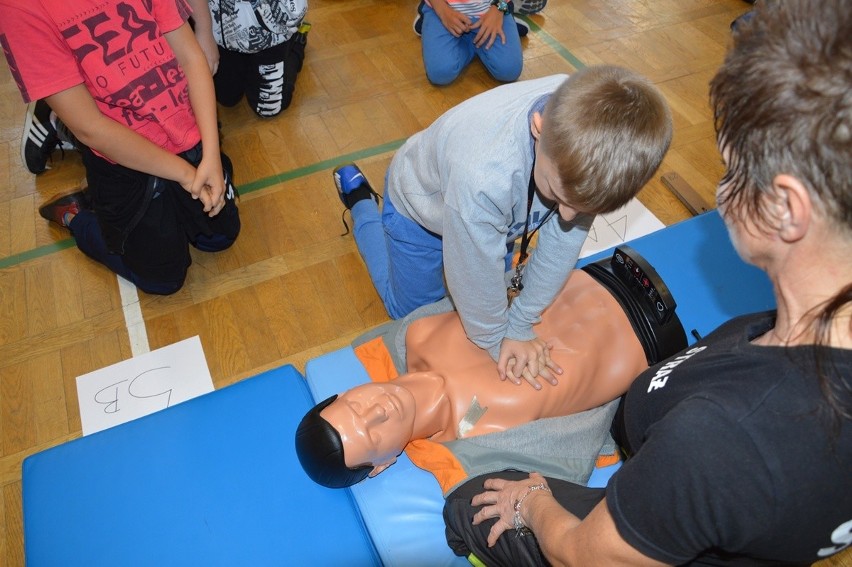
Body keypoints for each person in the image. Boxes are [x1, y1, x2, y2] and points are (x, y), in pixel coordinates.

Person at [442, 1, 852, 565]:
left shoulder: (722, 436)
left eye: (731, 170)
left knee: (470, 505)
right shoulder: (790, 354)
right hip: (675, 461)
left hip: (640, 516)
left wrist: (533, 502)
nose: (721, 189)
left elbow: (584, 556)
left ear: (787, 208)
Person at [333, 66, 672, 388]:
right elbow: (472, 278)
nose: (568, 217)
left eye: (584, 208)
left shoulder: (582, 136)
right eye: (558, 196)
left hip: (492, 216)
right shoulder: (483, 177)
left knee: (486, 286)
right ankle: (363, 203)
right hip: (419, 211)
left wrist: (522, 321)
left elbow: (559, 245)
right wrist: (497, 338)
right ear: (538, 129)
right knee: (410, 314)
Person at [295, 257, 688, 489]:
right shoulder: (476, 437)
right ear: (381, 465)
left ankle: (361, 200)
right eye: (371, 433)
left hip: (603, 271)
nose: (378, 410)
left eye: (356, 405)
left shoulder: (418, 335)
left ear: (348, 390)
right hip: (652, 339)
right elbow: (563, 471)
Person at [0, 0, 241, 295]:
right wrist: (188, 175)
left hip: (185, 134)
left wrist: (211, 155)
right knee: (163, 280)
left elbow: (191, 57)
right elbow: (92, 129)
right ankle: (78, 216)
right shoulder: (19, 8)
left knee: (219, 238)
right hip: (121, 160)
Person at [188, 0, 309, 118]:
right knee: (226, 98)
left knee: (268, 109)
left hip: (273, 33)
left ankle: (297, 41)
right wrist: (204, 31)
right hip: (223, 29)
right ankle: (249, 65)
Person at [412, 0, 524, 85]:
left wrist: (499, 10)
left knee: (509, 70)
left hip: (495, 10)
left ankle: (510, 23)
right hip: (442, 9)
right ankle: (426, 18)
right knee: (440, 73)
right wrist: (443, 12)